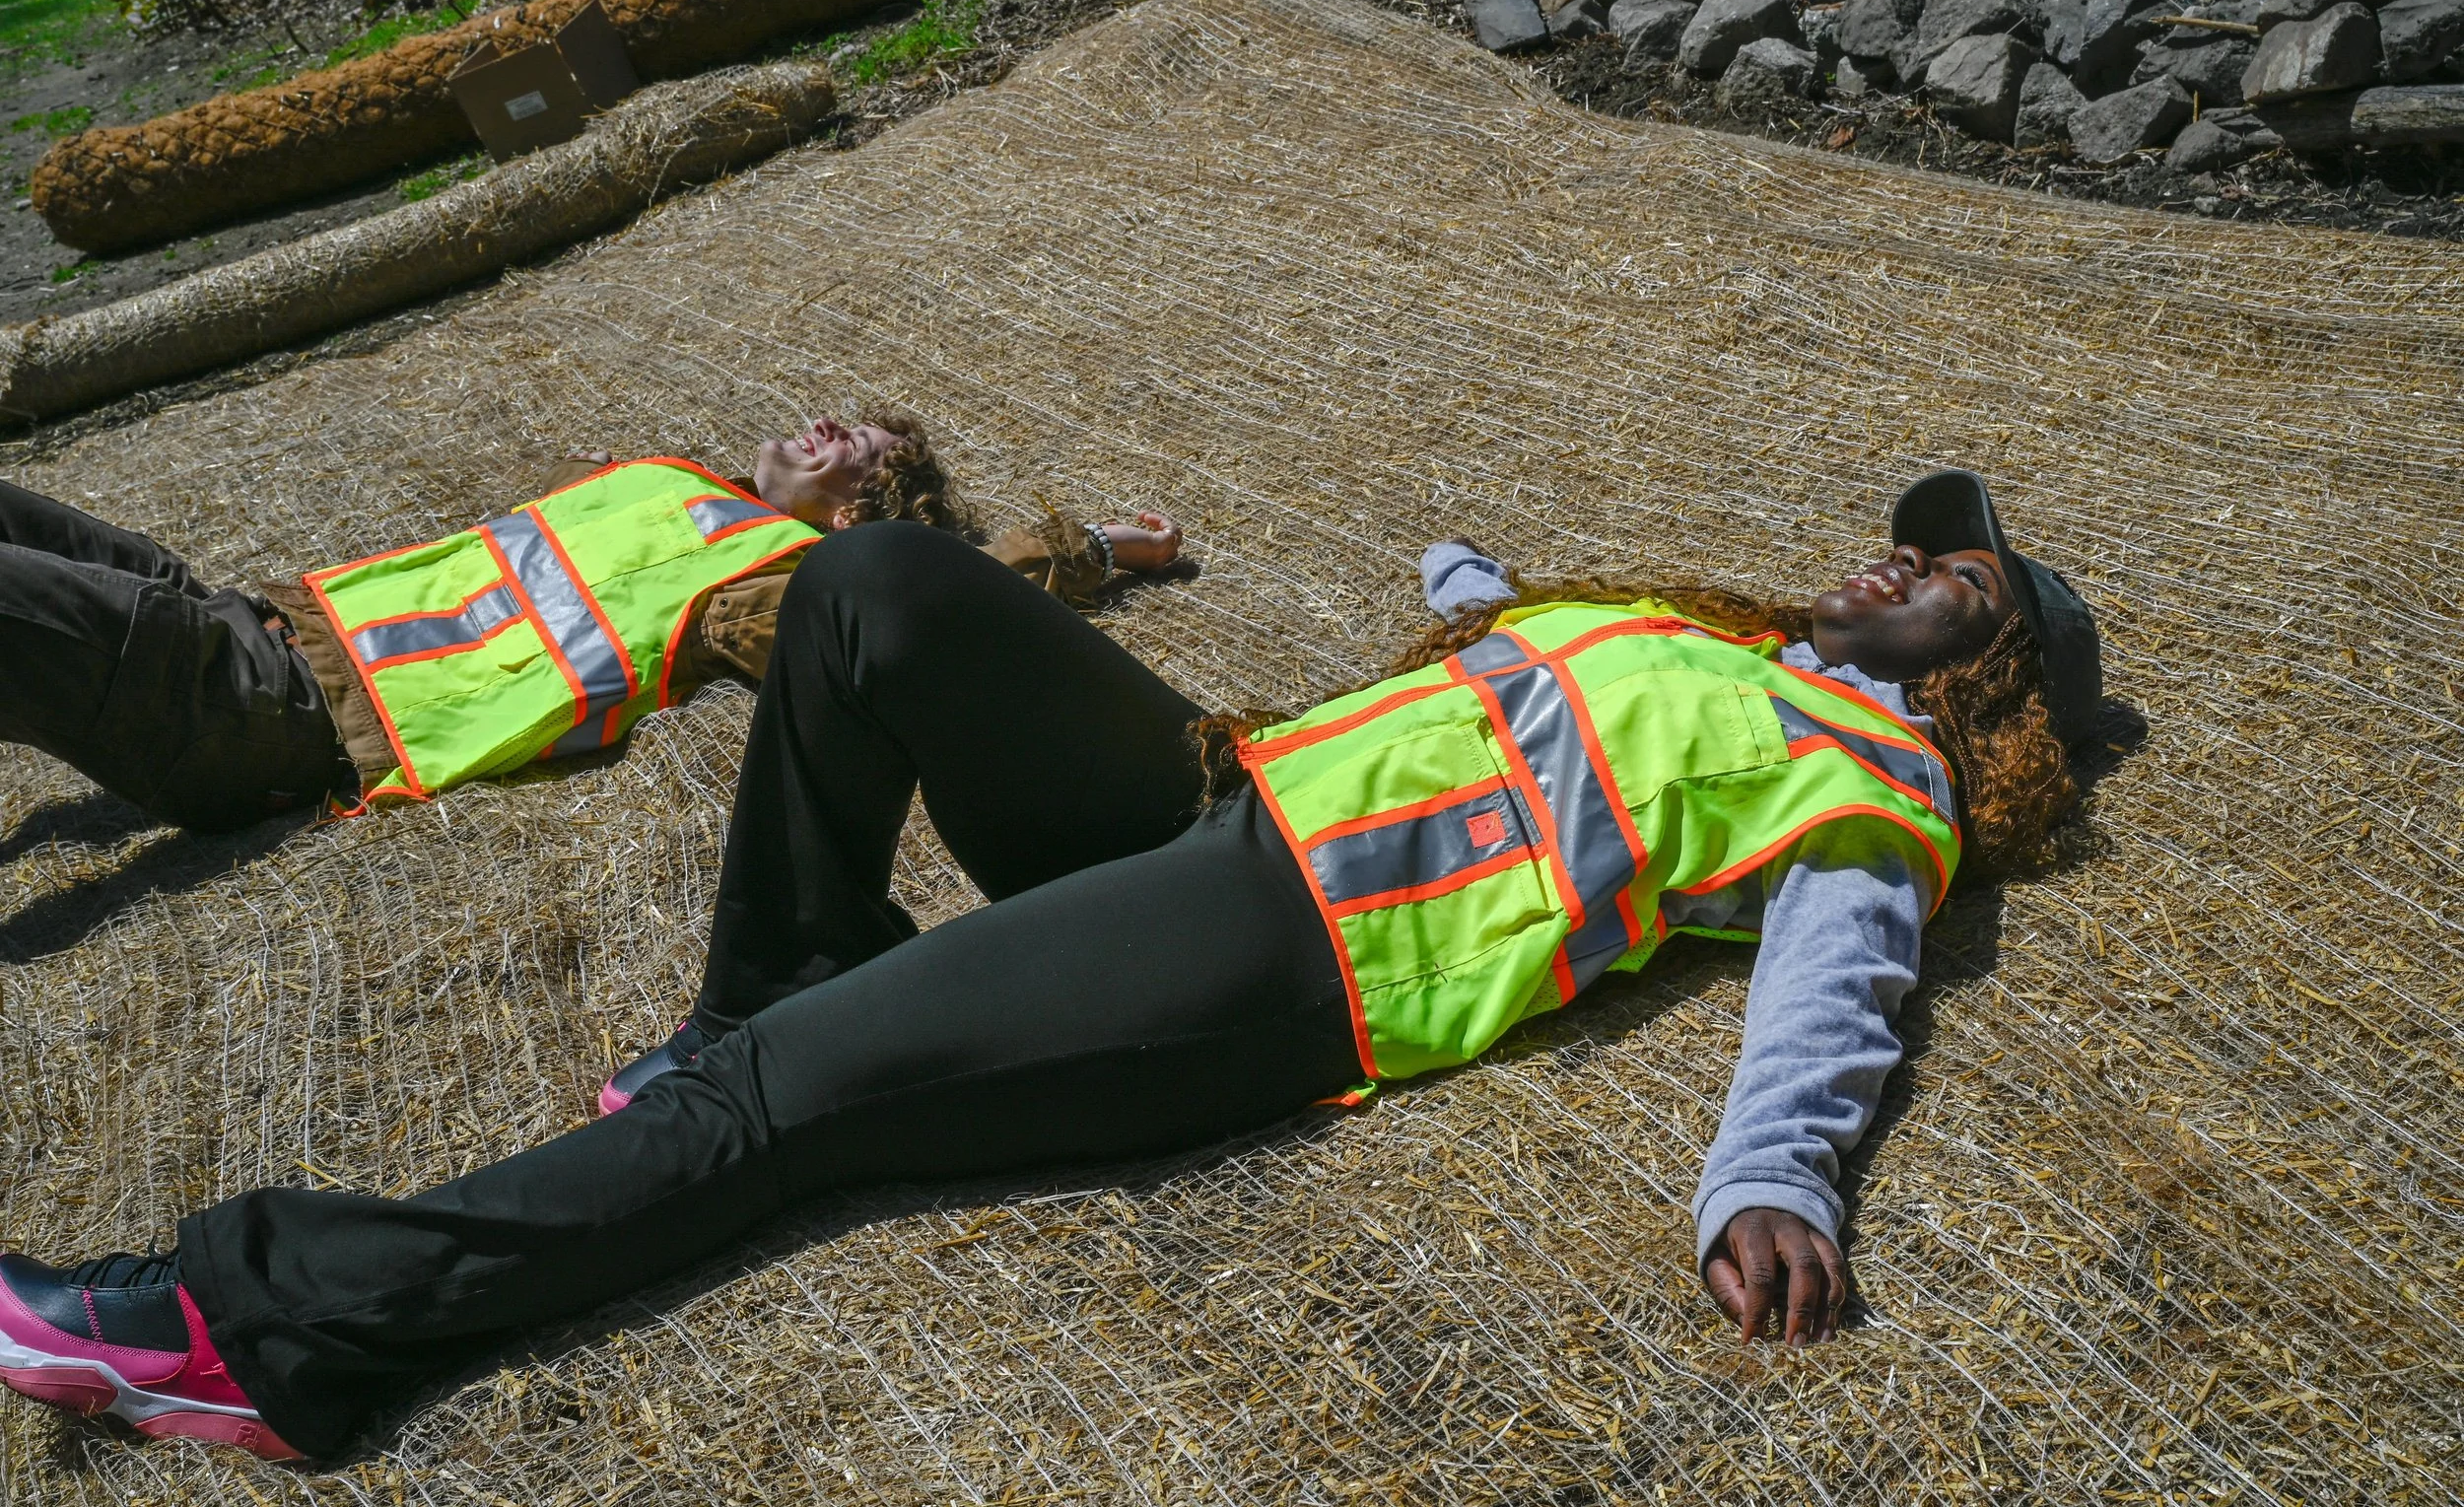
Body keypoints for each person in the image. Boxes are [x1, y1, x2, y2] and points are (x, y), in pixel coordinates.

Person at [0, 469, 2101, 1463]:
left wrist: (1771, 1180)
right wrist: (1466, 572)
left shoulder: (1871, 785)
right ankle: (769, 977)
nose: (1896, 558)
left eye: (1949, 577)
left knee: (788, 1113)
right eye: (1911, 540)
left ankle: (252, 1320)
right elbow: (1512, 634)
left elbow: (1834, 990)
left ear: (1985, 672)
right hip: (1211, 793)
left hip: (1292, 943)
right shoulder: (1723, 635)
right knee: (870, 588)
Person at [0, 412, 1183, 829]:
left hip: (268, 715)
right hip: (252, 618)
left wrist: (1096, 552)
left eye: (854, 448)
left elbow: (934, 608)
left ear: (862, 507)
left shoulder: (770, 580)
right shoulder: (673, 489)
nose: (824, 428)